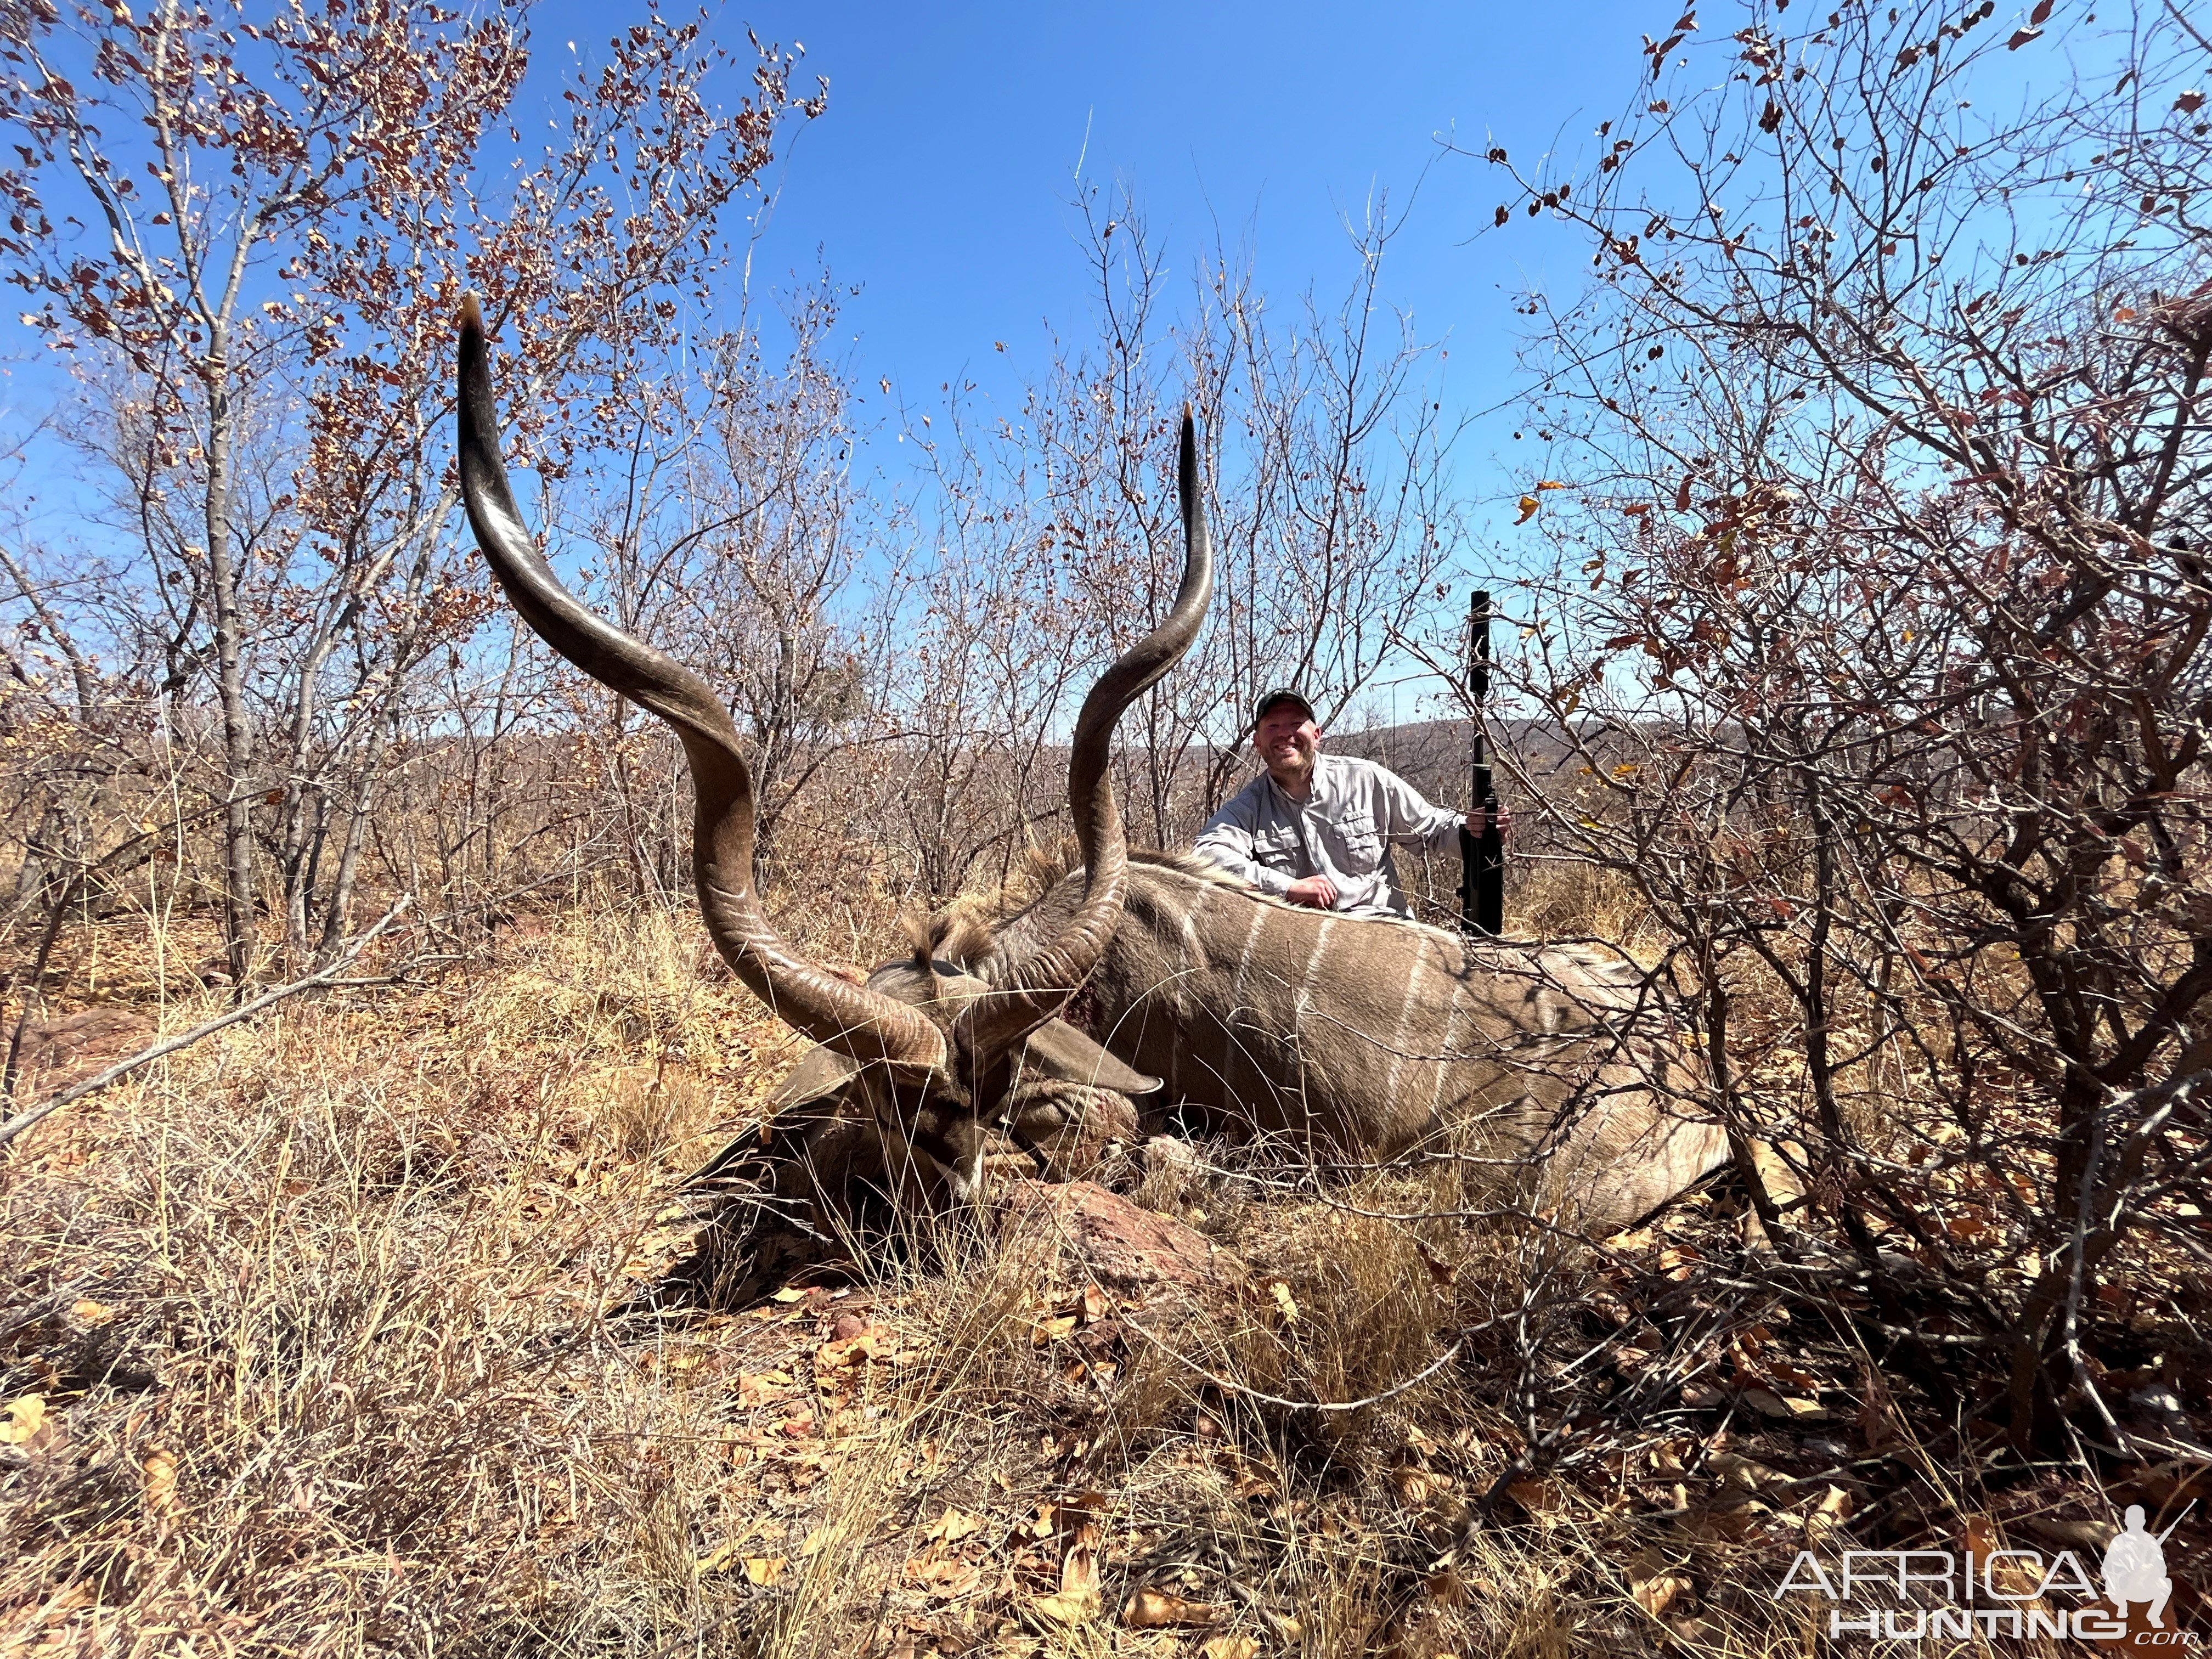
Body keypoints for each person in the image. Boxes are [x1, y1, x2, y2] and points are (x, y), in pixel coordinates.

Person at [1193, 687, 1508, 920]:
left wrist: (1474, 831)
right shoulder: (1249, 807)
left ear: (1316, 735)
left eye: (1295, 724)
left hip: (1383, 928)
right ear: (1258, 742)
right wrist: (1287, 887)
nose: (1285, 734)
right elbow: (1206, 854)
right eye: (1272, 727)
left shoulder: (1366, 779)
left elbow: (1434, 831)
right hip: (1304, 941)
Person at [2103, 1504, 2173, 1627]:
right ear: (2126, 1522)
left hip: (2143, 1585)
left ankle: (2153, 1615)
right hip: (2122, 1586)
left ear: (2143, 1522)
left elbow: (2161, 1568)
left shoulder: (2150, 1541)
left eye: (2138, 1520)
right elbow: (2108, 1566)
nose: (2135, 1523)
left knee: (2166, 1583)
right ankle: (2122, 1609)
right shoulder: (2119, 1541)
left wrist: (2150, 1569)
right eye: (2131, 1520)